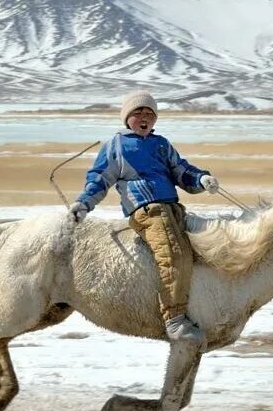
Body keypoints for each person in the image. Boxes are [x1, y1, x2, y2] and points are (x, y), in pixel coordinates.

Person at [69, 90, 219, 346]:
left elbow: (181, 170)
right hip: (147, 210)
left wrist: (201, 179)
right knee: (173, 253)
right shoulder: (115, 145)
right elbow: (100, 179)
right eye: (138, 112)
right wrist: (84, 203)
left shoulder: (161, 144)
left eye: (149, 113)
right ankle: (174, 319)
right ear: (127, 117)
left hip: (173, 208)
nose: (144, 117)